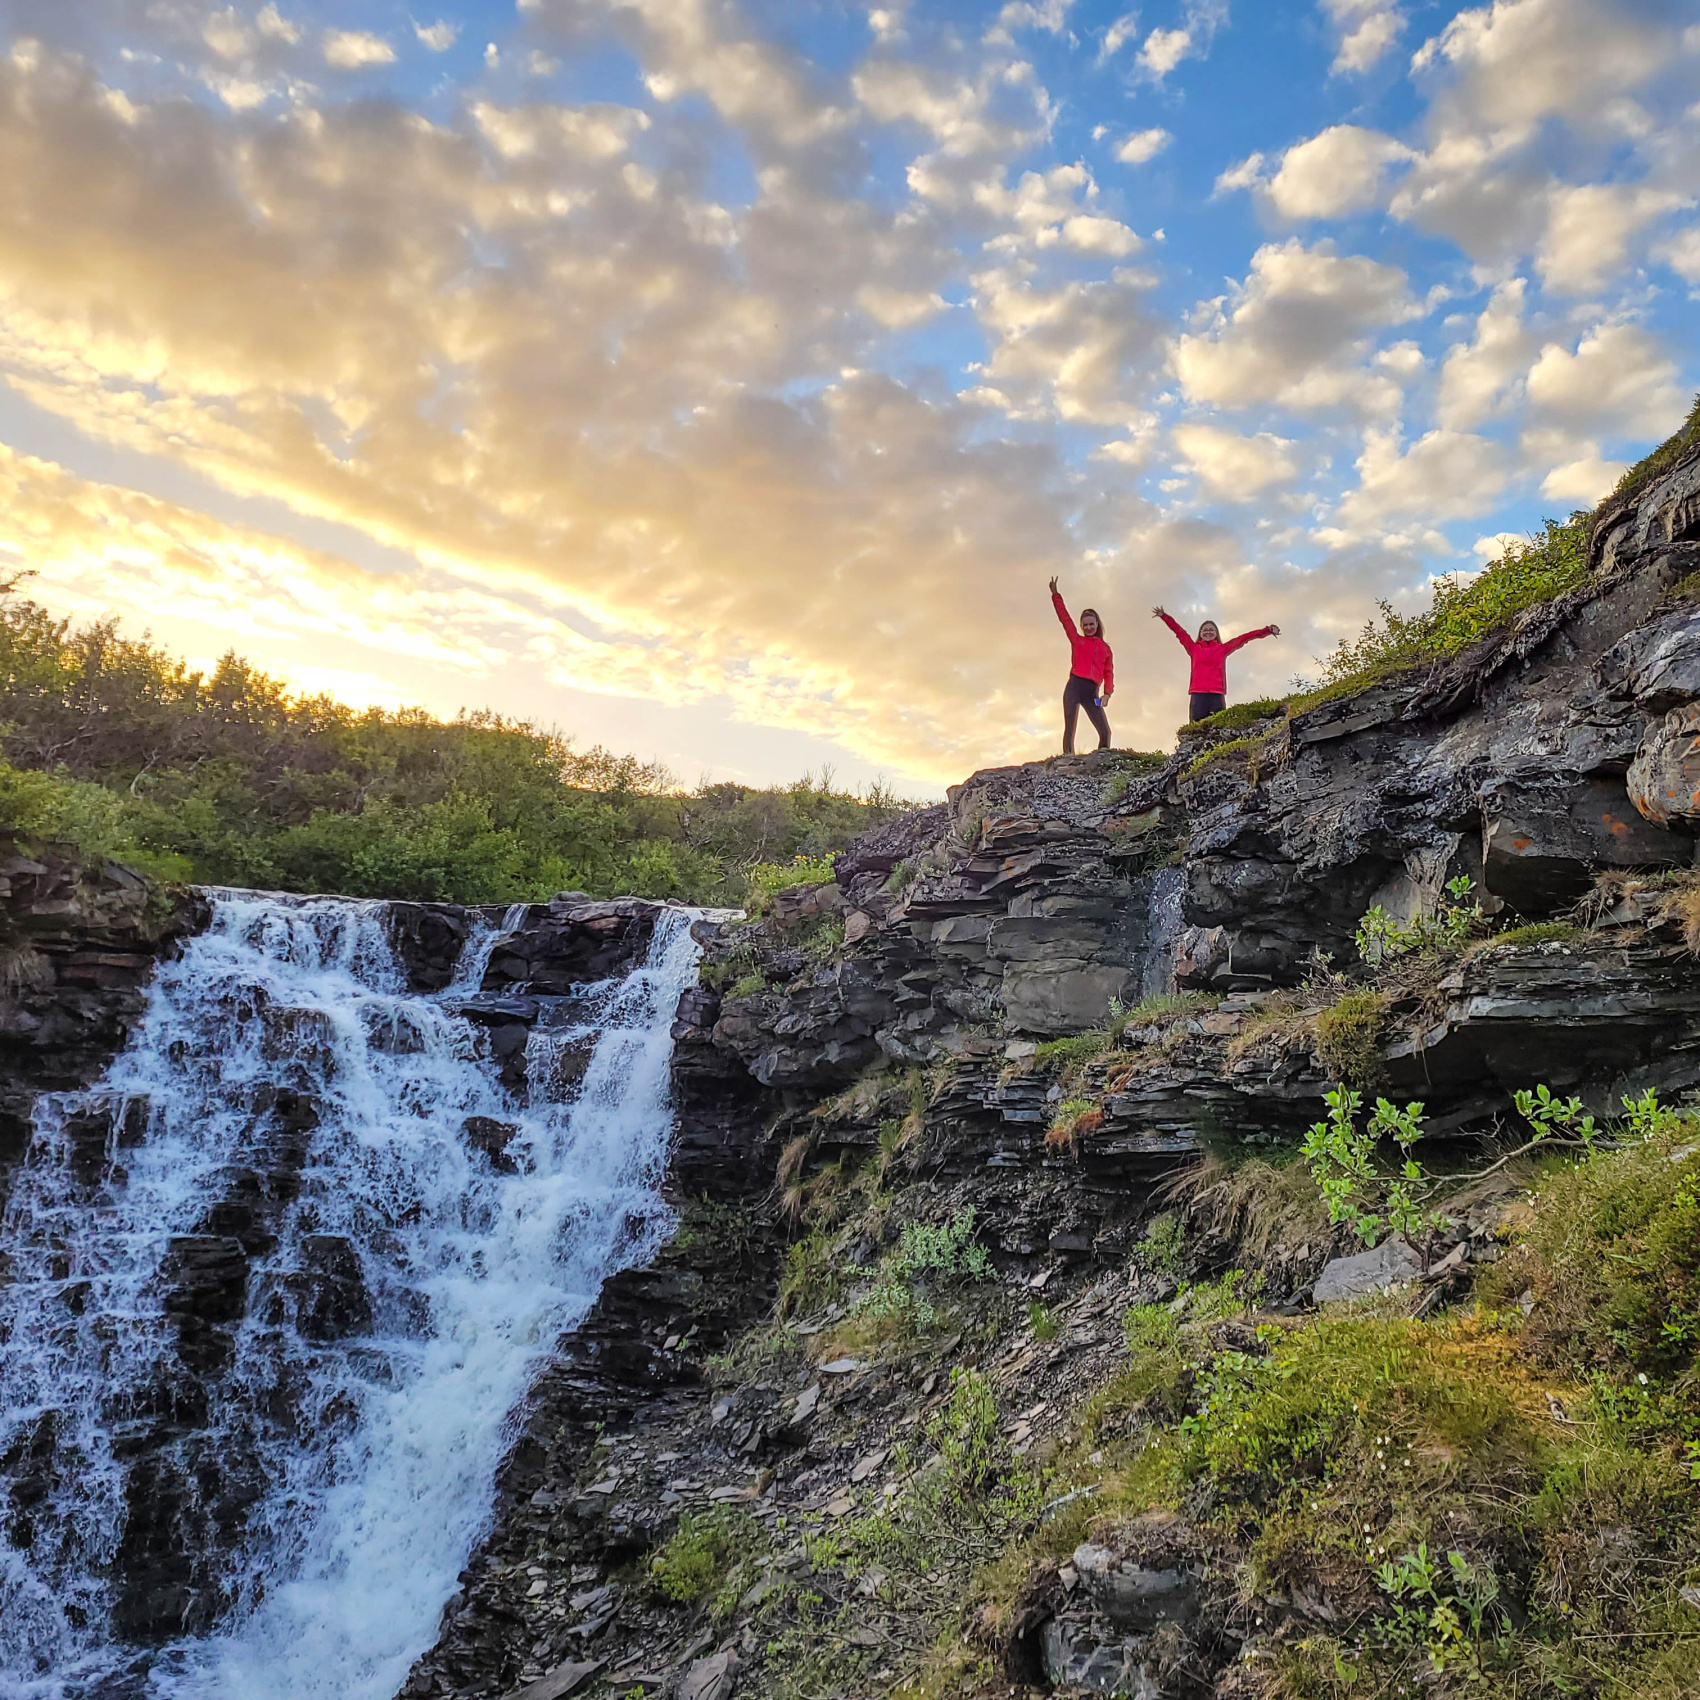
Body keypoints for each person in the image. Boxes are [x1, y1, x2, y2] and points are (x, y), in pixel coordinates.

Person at [1153, 606, 1280, 722]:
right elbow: (1179, 632)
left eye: (1211, 630)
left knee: (1218, 726)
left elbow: (1244, 638)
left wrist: (1267, 630)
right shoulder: (1193, 648)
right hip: (1198, 694)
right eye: (1205, 630)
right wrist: (1164, 616)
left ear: (1216, 633)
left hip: (1216, 694)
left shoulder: (1222, 649)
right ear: (1200, 633)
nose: (1208, 632)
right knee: (1196, 730)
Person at [1049, 576, 1113, 753]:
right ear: (1081, 626)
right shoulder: (1077, 641)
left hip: (1092, 692)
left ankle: (1102, 761)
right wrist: (1055, 594)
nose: (1088, 627)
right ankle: (1067, 758)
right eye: (1085, 625)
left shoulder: (1105, 648)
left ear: (1097, 624)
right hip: (1074, 686)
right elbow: (1065, 619)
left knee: (1105, 731)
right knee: (1070, 728)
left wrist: (1107, 694)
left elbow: (1109, 672)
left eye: (1091, 624)